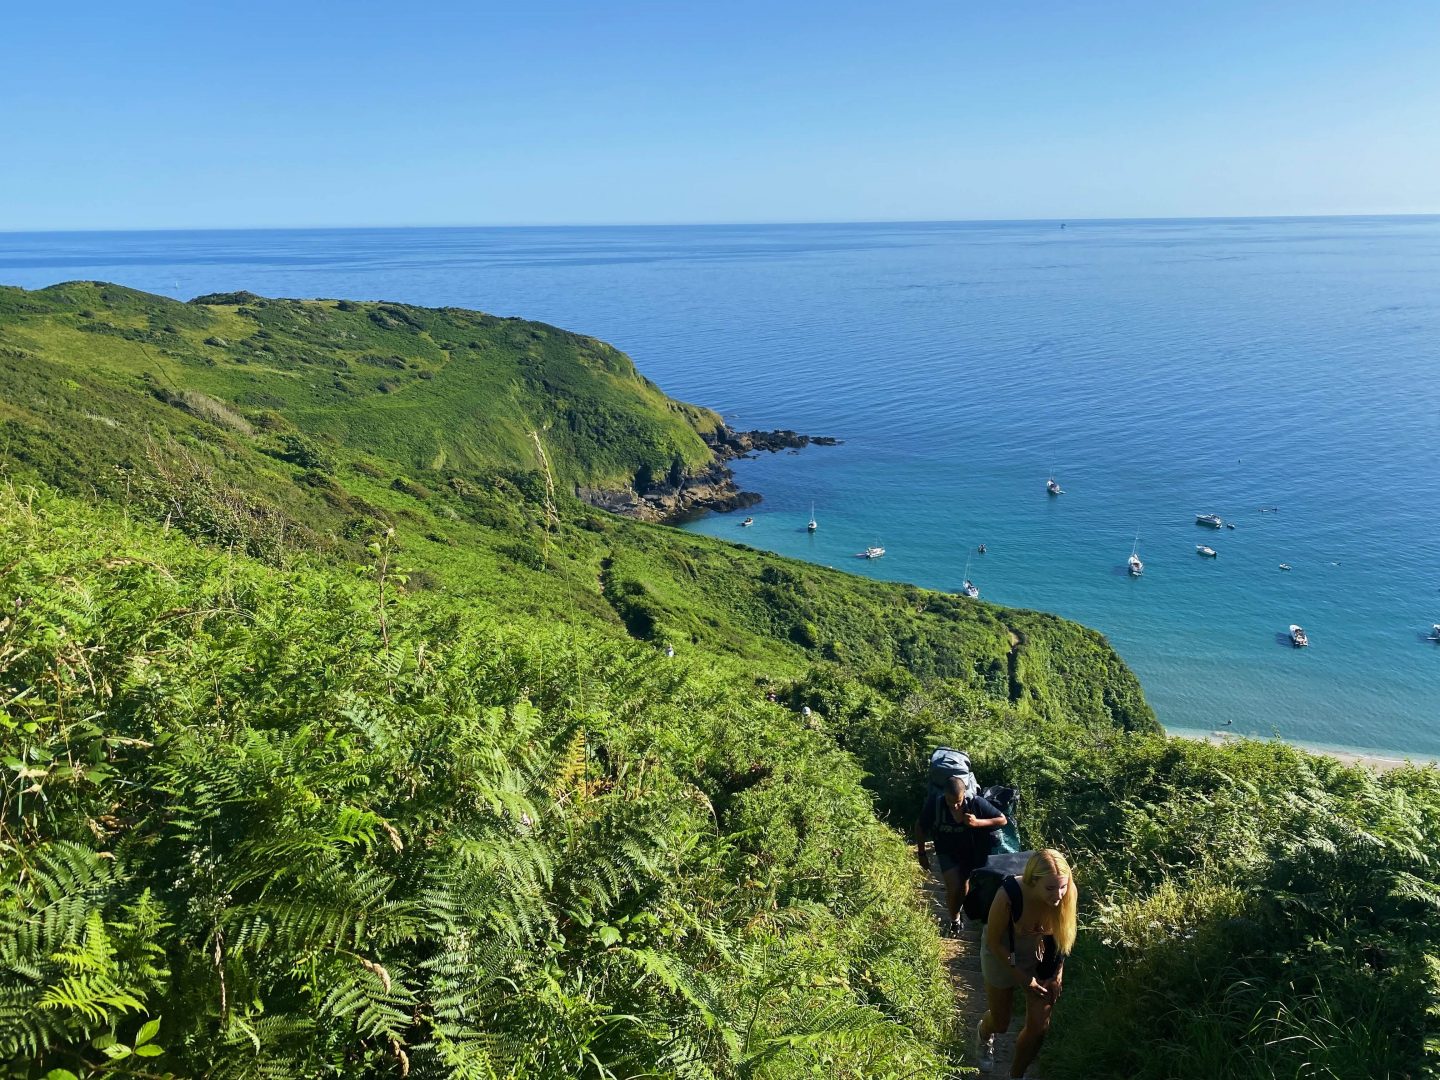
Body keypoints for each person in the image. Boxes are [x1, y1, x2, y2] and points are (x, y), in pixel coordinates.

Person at [976, 849, 1078, 1077]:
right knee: (1001, 1022)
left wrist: (1057, 973)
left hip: (1039, 952)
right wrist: (1023, 977)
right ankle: (984, 1034)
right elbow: (994, 943)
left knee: (1039, 1026)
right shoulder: (1008, 895)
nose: (1058, 895)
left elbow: (1064, 936)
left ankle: (1017, 1074)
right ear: (1033, 881)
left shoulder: (1068, 893)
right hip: (1003, 952)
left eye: (1062, 886)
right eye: (1050, 888)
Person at [915, 775, 1007, 935]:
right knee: (953, 886)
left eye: (958, 801)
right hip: (946, 851)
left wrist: (978, 822)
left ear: (964, 793)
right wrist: (921, 853)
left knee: (963, 888)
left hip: (969, 852)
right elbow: (920, 827)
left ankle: (959, 912)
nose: (955, 806)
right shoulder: (936, 804)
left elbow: (1002, 820)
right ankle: (955, 920)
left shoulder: (975, 802)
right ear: (944, 795)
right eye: (951, 802)